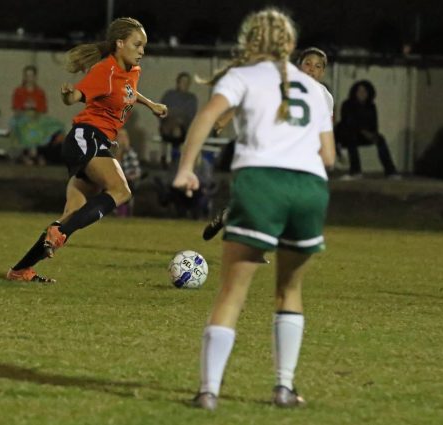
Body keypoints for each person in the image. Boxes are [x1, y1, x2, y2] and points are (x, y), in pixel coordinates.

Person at [172, 8, 336, 411]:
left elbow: (208, 118)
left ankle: (208, 391)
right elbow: (329, 155)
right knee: (289, 289)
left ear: (251, 40)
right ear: (290, 46)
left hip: (262, 183)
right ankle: (283, 388)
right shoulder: (315, 89)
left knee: (233, 290)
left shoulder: (242, 75)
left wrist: (186, 169)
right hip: (310, 187)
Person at [6, 17, 168, 283]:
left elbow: (128, 91)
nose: (142, 51)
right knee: (121, 191)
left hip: (96, 141)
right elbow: (77, 96)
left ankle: (21, 269)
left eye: (144, 45)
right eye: (137, 45)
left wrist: (151, 105)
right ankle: (60, 234)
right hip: (86, 137)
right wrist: (67, 95)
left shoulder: (132, 71)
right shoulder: (105, 71)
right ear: (119, 43)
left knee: (71, 215)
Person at [202, 46, 335, 241]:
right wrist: (224, 118)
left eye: (317, 66)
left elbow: (326, 129)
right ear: (299, 66)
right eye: (308, 64)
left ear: (323, 72)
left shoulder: (325, 97)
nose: (312, 69)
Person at [335, 80, 400, 179]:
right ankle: (355, 171)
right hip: (346, 135)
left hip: (365, 136)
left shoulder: (371, 106)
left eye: (364, 91)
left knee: (380, 138)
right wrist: (363, 131)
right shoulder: (347, 104)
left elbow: (374, 125)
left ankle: (391, 171)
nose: (362, 94)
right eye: (359, 91)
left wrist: (372, 135)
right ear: (355, 92)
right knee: (351, 136)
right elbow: (348, 123)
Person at [11, 65, 49, 165]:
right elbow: (16, 110)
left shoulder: (39, 92)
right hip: (23, 118)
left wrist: (34, 113)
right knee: (24, 125)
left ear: (35, 77)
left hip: (36, 118)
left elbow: (42, 110)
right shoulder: (19, 91)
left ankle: (32, 154)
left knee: (40, 125)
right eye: (27, 76)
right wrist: (26, 111)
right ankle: (30, 154)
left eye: (31, 76)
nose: (29, 78)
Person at [159, 72, 198, 167]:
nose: (184, 84)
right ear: (178, 82)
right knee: (173, 126)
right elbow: (162, 111)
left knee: (178, 130)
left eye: (187, 82)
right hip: (168, 124)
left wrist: (178, 119)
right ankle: (170, 158)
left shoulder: (191, 98)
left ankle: (175, 159)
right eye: (183, 82)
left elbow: (190, 115)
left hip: (183, 127)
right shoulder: (169, 95)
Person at [115, 128, 141, 217]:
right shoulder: (115, 153)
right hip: (118, 181)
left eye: (123, 137)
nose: (120, 139)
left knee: (124, 188)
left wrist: (127, 177)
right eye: (119, 137)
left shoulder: (130, 153)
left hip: (129, 181)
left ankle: (123, 213)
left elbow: (136, 172)